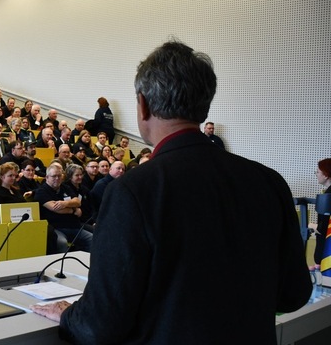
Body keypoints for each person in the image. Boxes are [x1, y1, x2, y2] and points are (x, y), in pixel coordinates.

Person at [31, 40, 311, 343]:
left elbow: (100, 324)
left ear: (143, 105)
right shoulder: (268, 182)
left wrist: (70, 315)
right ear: (204, 104)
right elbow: (293, 295)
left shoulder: (132, 192)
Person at [313, 158, 331, 268]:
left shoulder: (328, 196)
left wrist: (313, 226)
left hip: (326, 253)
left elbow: (324, 227)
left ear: (326, 175)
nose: (316, 174)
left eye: (318, 172)